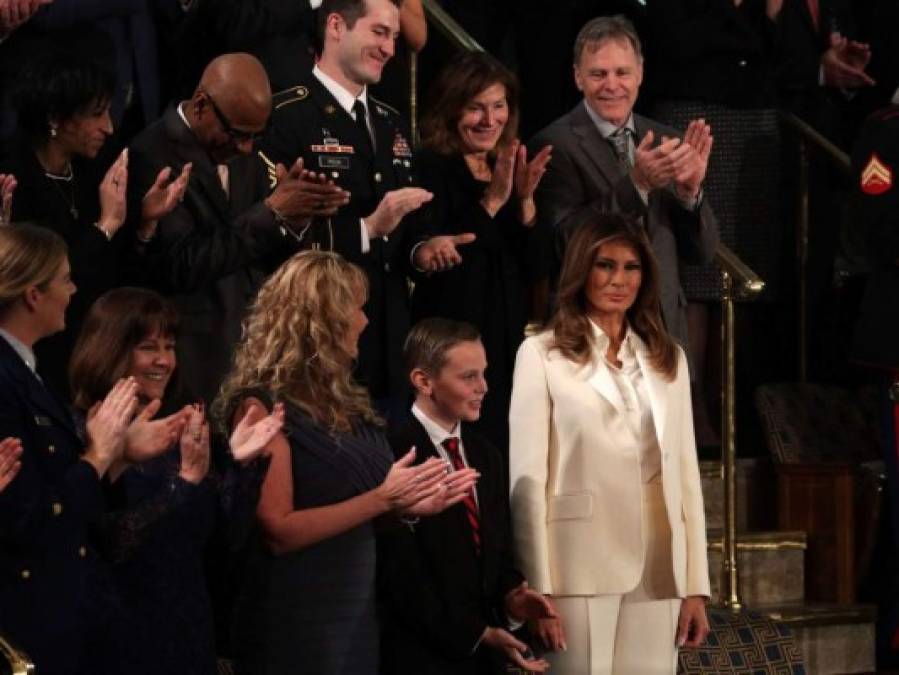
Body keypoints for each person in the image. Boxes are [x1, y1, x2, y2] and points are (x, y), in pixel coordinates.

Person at [216, 250, 478, 674]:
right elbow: (278, 531)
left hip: (355, 616)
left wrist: (405, 508)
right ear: (323, 321)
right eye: (356, 308)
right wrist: (381, 500)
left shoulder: (348, 402)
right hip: (296, 621)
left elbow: (364, 511)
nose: (365, 321)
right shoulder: (262, 407)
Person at [508, 214, 710, 673]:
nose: (619, 280)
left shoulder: (667, 357)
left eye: (631, 268)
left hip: (659, 566)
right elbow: (527, 478)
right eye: (606, 266)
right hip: (575, 562)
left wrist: (695, 583)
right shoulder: (542, 353)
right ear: (582, 270)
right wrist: (537, 582)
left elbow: (687, 476)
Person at [257, 0, 472, 414]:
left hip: (390, 344)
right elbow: (271, 239)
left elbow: (405, 232)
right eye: (378, 32)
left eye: (393, 36)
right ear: (336, 26)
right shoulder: (286, 116)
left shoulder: (391, 122)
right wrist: (367, 228)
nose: (390, 48)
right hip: (318, 346)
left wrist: (421, 251)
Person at [67, 287, 285, 675]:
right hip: (117, 641)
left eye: (169, 347)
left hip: (189, 632)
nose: (164, 361)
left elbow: (226, 542)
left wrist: (241, 465)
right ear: (111, 348)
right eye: (149, 347)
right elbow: (111, 545)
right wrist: (181, 485)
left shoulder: (178, 431)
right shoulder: (79, 435)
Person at [127, 52, 344, 404]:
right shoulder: (150, 155)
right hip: (191, 356)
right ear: (201, 106)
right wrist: (271, 212)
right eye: (237, 134)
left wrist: (294, 219)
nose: (245, 148)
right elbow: (181, 265)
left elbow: (259, 247)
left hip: (248, 351)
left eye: (255, 137)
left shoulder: (248, 157)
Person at [0, 224, 160, 675]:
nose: (74, 290)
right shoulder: (5, 380)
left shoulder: (25, 369)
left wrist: (118, 457)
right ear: (34, 295)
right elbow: (27, 515)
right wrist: (97, 456)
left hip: (60, 609)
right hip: (27, 618)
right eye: (65, 279)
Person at [1, 49, 188, 394]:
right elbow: (45, 284)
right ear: (56, 118)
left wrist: (143, 224)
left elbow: (122, 280)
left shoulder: (98, 170)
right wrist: (105, 227)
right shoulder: (11, 181)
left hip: (96, 354)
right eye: (96, 114)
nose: (109, 127)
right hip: (39, 361)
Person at [378, 318, 558, 674]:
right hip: (419, 657)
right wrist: (477, 633)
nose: (484, 388)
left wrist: (513, 601)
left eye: (484, 374)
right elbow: (400, 575)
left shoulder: (485, 454)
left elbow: (496, 550)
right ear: (424, 381)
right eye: (468, 377)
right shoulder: (393, 453)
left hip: (485, 659)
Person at [530, 15, 719, 351]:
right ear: (578, 77)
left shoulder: (667, 141)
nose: (611, 85)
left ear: (640, 74)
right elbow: (565, 240)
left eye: (622, 72)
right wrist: (637, 186)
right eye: (598, 74)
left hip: (663, 332)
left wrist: (691, 195)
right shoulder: (554, 145)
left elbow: (702, 253)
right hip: (592, 332)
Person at [411, 52, 552, 456]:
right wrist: (492, 201)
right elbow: (447, 267)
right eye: (476, 108)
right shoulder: (430, 167)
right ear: (452, 110)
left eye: (498, 106)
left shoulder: (507, 166)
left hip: (508, 346)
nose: (490, 120)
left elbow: (536, 267)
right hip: (452, 347)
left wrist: (525, 202)